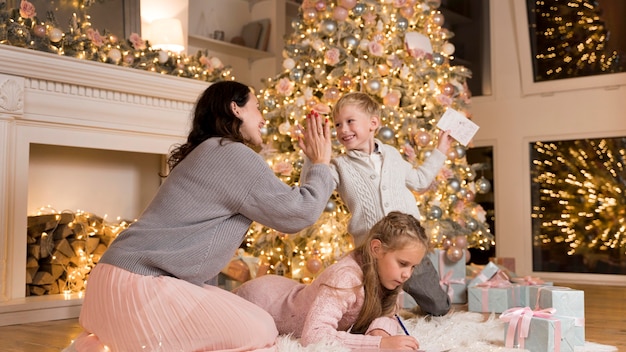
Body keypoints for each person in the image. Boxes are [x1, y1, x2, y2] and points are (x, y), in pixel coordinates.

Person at [67, 81, 335, 352]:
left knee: (255, 317)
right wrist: (321, 163)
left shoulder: (208, 150)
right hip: (138, 288)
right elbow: (299, 214)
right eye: (257, 108)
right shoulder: (233, 155)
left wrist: (313, 163)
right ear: (236, 109)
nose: (263, 117)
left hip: (110, 285)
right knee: (262, 329)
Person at [303, 91, 454, 316]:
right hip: (372, 252)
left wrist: (441, 150)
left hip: (409, 245)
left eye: (350, 121)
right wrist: (313, 159)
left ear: (373, 123)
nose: (343, 129)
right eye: (337, 125)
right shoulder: (338, 166)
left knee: (438, 305)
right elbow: (313, 189)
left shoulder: (392, 156)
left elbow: (420, 181)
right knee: (369, 311)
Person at [235, 211, 428, 351]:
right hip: (264, 300)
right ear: (376, 249)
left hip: (293, 292)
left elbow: (388, 313)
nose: (407, 274)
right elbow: (314, 334)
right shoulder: (347, 278)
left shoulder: (387, 277)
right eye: (403, 263)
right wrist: (378, 345)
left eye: (412, 267)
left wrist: (380, 332)